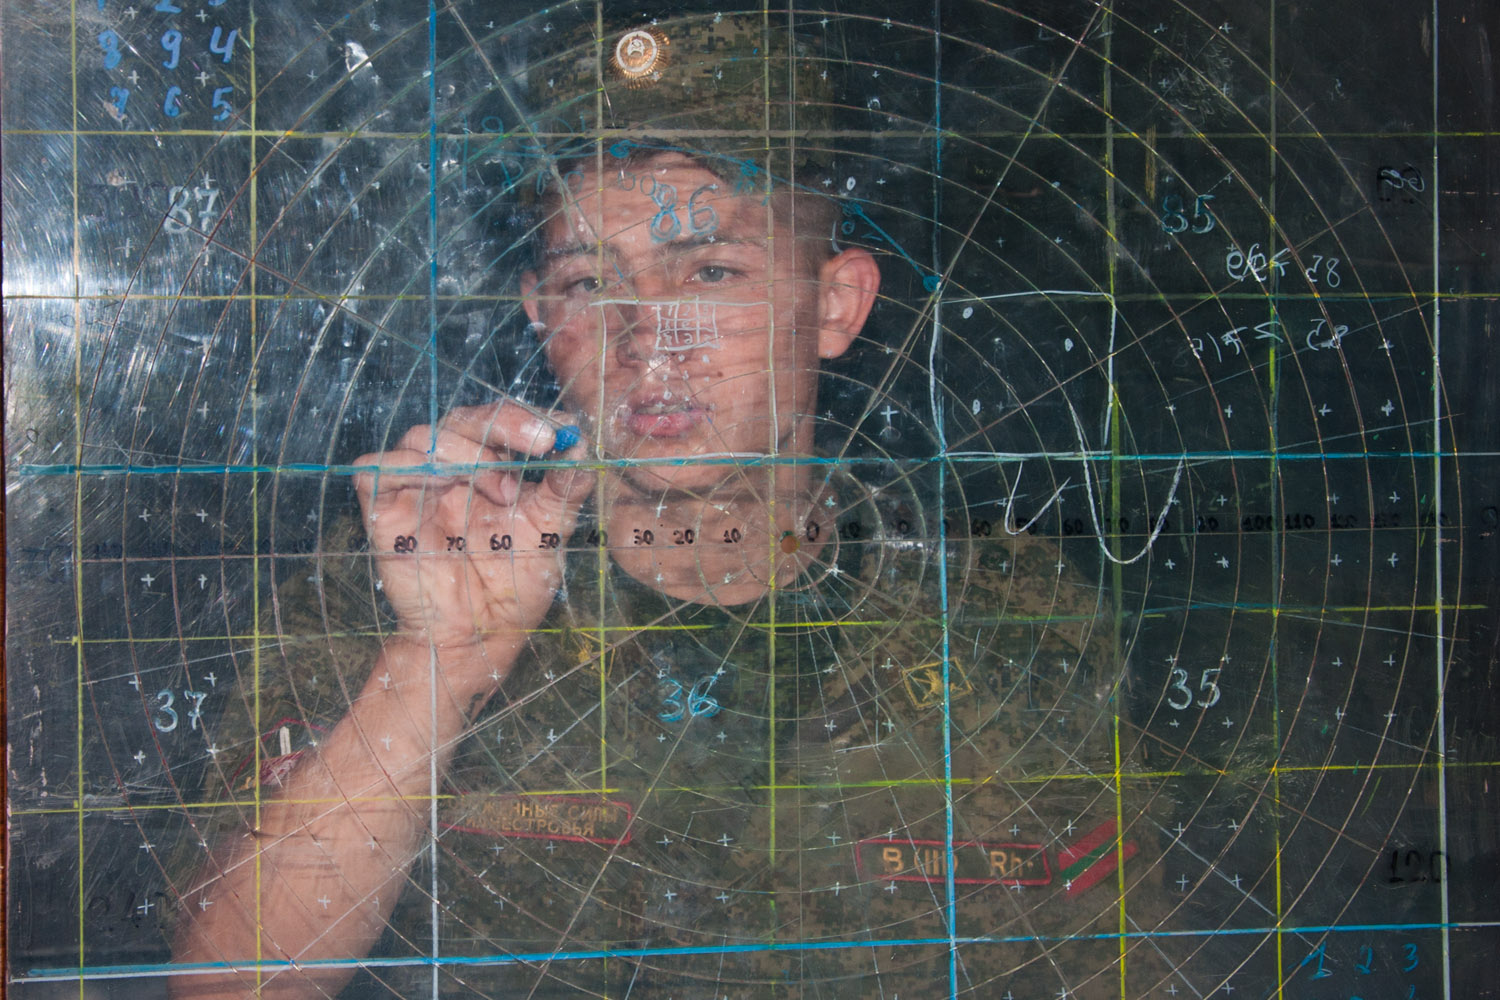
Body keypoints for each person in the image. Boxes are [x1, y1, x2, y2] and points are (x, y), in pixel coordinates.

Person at [171, 17, 1118, 999]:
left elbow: (1106, 966)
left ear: (834, 304)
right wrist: (436, 664)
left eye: (710, 273)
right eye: (591, 282)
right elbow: (230, 988)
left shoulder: (1003, 611)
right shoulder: (405, 573)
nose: (648, 340)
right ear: (541, 314)